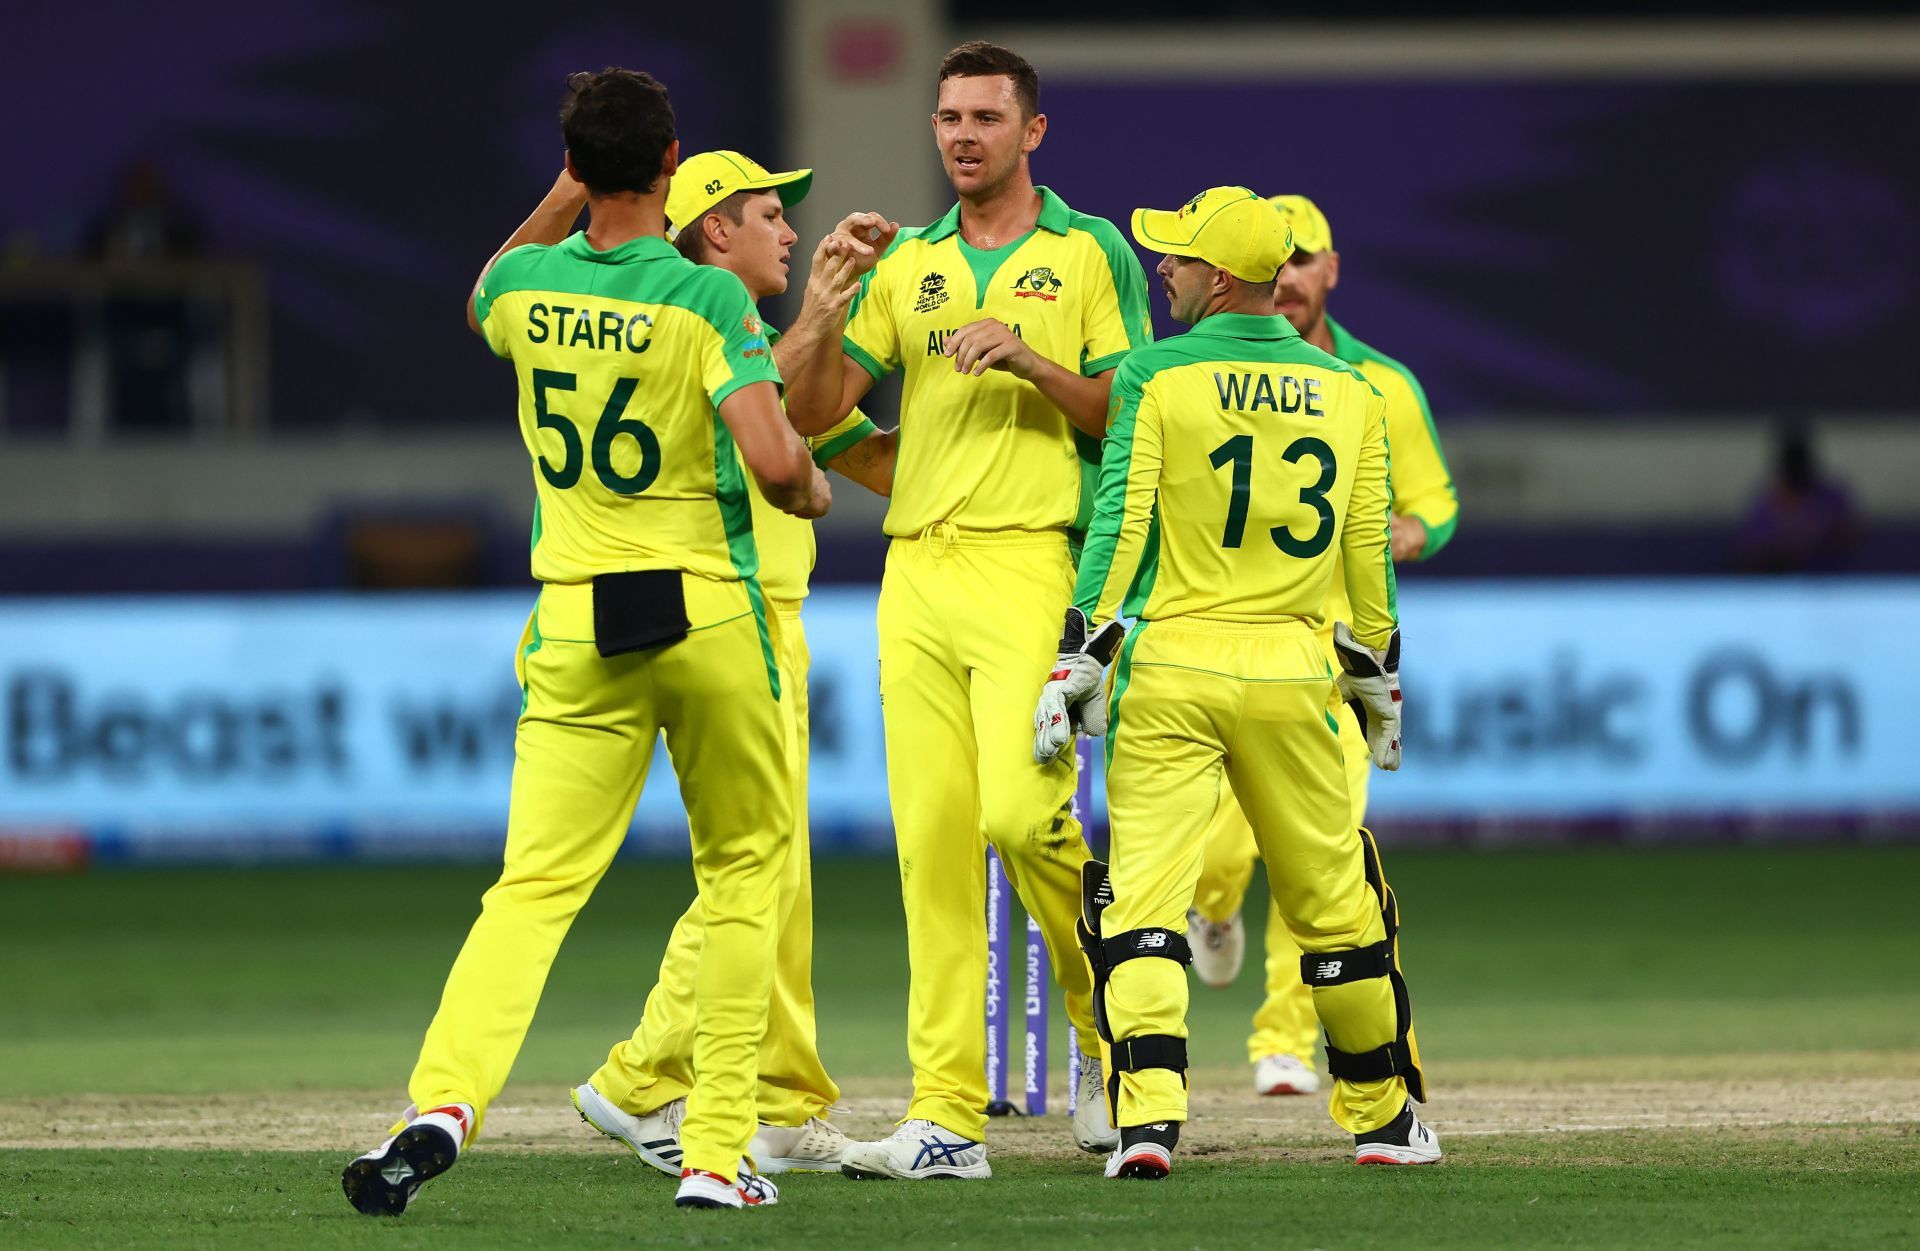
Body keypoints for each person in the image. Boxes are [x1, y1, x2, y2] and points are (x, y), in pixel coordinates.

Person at [341, 68, 832, 1216]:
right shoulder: (708, 301)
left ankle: (441, 1103)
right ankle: (716, 1154)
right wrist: (808, 488)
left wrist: (569, 191)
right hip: (708, 610)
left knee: (532, 890)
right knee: (749, 869)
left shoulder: (525, 283)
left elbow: (482, 290)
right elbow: (769, 460)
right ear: (670, 169)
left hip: (575, 617)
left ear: (575, 169)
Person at [784, 40, 1153, 1179]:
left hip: (1032, 568)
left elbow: (1131, 418)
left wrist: (1035, 363)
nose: (961, 135)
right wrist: (828, 303)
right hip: (918, 578)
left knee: (1019, 820)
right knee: (932, 851)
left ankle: (1115, 1042)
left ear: (1031, 132)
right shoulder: (910, 261)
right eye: (948, 117)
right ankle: (946, 1118)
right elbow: (809, 412)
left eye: (986, 117)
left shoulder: (1087, 253)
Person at [1032, 186, 1440, 1179]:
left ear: (1219, 279)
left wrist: (1080, 651)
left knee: (1138, 902)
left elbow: (1121, 523)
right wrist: (1380, 676)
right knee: (1338, 907)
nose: (1160, 268)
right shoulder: (1352, 388)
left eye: (1175, 258)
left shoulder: (1152, 376)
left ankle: (1148, 1126)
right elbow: (1365, 555)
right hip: (1299, 666)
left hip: (1173, 663)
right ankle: (1384, 1122)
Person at [567, 148, 895, 1177]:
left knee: (776, 873)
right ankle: (639, 1081)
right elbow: (775, 411)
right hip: (732, 612)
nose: (789, 232)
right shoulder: (702, 322)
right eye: (768, 214)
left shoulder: (728, 319)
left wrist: (824, 310)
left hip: (759, 610)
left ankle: (776, 1097)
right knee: (754, 870)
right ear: (713, 229)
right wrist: (827, 306)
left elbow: (801, 405)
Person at [1184, 194, 1459, 1100]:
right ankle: (1211, 908)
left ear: (1329, 271)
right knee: (1219, 856)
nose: (1292, 277)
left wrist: (1408, 535)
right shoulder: (1205, 374)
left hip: (1337, 663)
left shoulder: (1383, 384)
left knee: (1321, 851)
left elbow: (1436, 502)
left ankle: (1282, 1039)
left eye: (1308, 261)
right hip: (1236, 644)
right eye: (1280, 260)